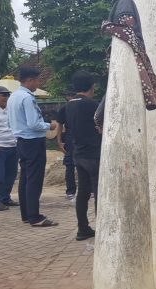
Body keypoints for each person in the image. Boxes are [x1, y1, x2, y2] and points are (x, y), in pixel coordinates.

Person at [7, 67, 58, 227]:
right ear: (29, 80)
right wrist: (50, 126)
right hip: (32, 141)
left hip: (21, 141)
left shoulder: (13, 97)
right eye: (37, 80)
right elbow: (34, 123)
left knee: (25, 179)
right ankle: (35, 217)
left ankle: (26, 214)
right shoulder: (27, 98)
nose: (38, 83)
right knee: (34, 180)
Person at [59, 70, 101, 241]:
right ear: (92, 87)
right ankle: (104, 227)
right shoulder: (92, 105)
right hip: (93, 154)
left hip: (78, 153)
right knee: (99, 192)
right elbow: (101, 126)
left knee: (83, 192)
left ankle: (82, 228)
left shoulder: (68, 105)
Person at [56, 88, 77, 200]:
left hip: (81, 136)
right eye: (68, 95)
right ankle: (70, 191)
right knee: (69, 165)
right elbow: (60, 125)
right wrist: (59, 141)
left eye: (72, 94)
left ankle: (91, 189)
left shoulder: (82, 106)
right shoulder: (64, 109)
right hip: (69, 137)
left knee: (84, 163)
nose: (70, 97)